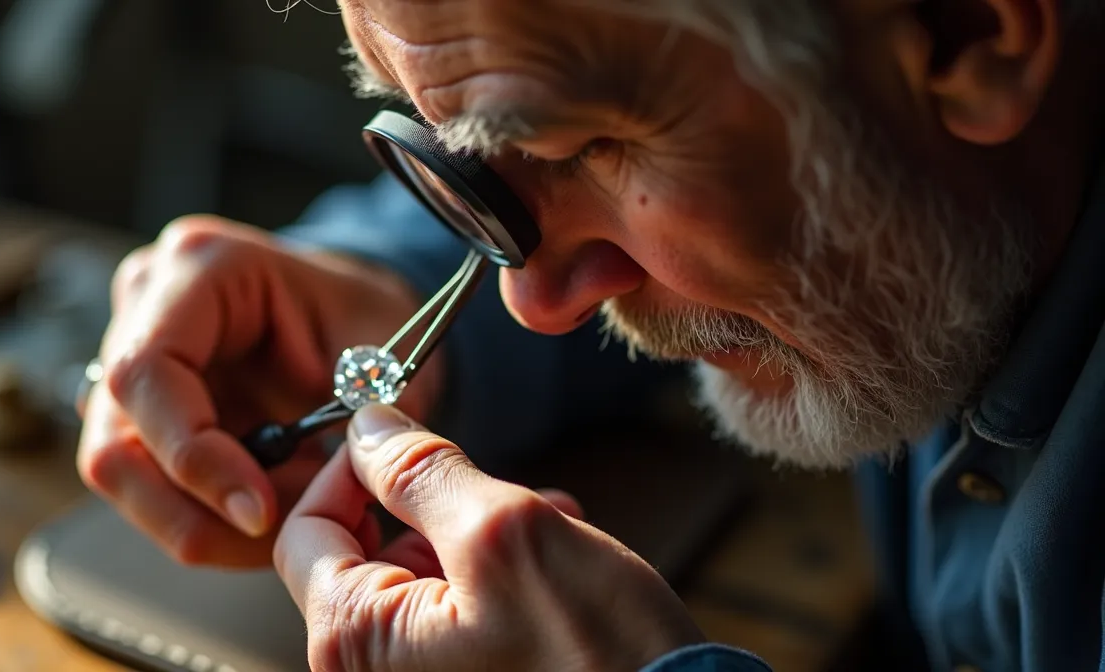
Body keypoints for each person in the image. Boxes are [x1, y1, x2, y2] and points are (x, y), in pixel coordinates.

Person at [74, 0, 1105, 670]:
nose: (538, 304)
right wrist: (377, 281)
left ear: (966, 34)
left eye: (580, 147)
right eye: (458, 147)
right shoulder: (926, 223)